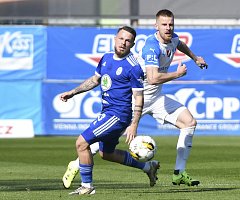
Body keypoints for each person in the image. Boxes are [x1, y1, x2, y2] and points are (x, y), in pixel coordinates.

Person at [62, 9, 207, 189]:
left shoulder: (172, 37)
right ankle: (76, 164)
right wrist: (176, 74)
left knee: (190, 123)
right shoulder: (151, 47)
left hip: (155, 97)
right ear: (156, 26)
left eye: (171, 24)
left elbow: (179, 44)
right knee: (103, 144)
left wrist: (194, 58)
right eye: (164, 25)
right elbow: (153, 78)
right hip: (136, 97)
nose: (168, 28)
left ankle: (179, 173)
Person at [60, 26, 160, 195]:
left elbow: (139, 97)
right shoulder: (106, 58)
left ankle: (87, 186)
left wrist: (134, 124)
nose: (124, 43)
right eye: (121, 39)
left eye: (128, 41)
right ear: (115, 39)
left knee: (81, 143)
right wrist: (73, 92)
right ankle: (147, 167)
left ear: (132, 44)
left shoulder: (133, 67)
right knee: (107, 154)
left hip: (118, 115)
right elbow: (94, 80)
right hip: (107, 112)